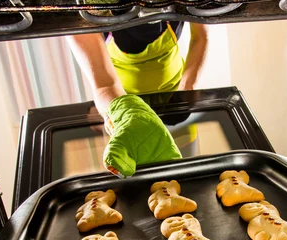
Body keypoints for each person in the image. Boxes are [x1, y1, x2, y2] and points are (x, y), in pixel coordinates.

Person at [67, 22, 208, 178]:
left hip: (175, 106)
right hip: (126, 112)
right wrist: (126, 118)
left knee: (188, 178)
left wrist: (187, 87)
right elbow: (105, 85)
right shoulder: (85, 13)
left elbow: (200, 37)